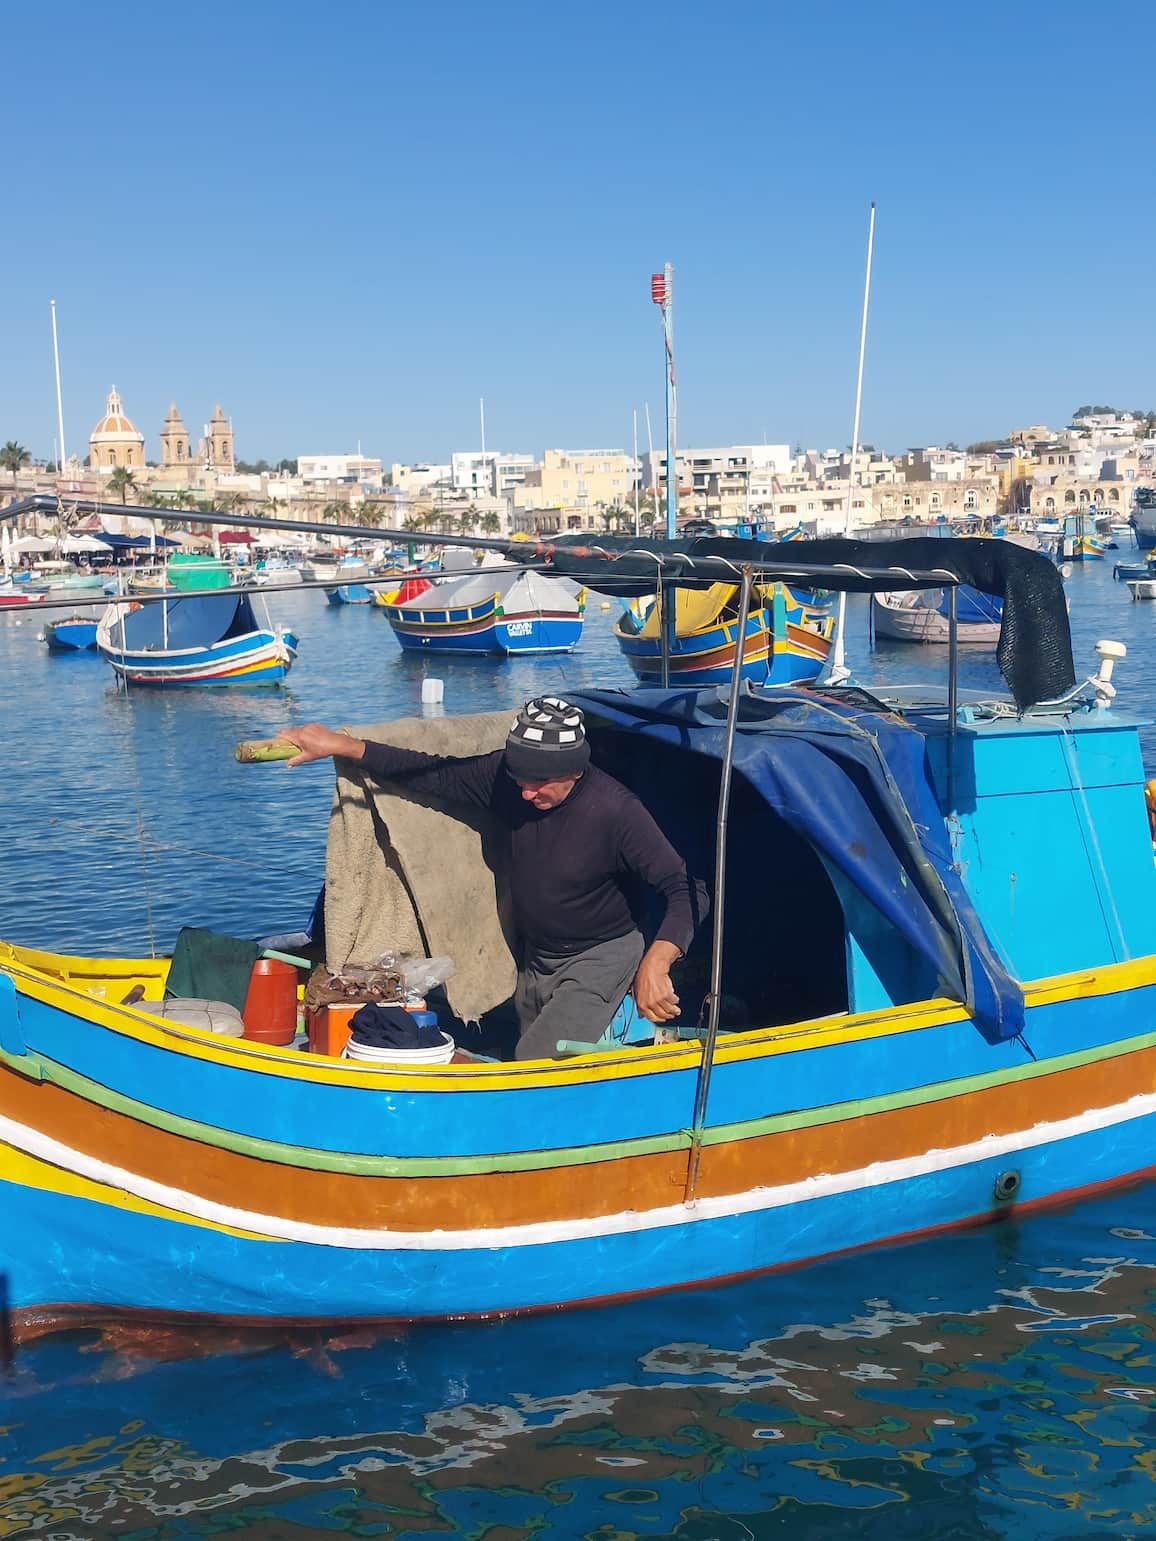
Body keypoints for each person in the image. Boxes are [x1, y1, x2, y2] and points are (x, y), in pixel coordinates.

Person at [277, 696, 708, 1060]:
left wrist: (657, 960)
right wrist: (341, 745)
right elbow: (432, 773)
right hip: (535, 959)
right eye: (520, 778)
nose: (525, 793)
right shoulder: (508, 780)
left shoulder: (616, 811)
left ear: (575, 770)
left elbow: (687, 889)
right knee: (530, 1049)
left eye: (540, 782)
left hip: (601, 956)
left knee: (532, 1064)